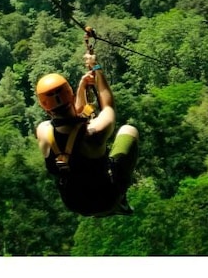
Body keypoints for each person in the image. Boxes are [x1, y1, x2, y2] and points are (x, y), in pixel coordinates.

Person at [34, 59, 138, 217]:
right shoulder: (95, 132)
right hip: (107, 199)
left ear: (46, 108)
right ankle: (121, 198)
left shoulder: (43, 132)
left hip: (76, 204)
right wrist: (97, 68)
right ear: (71, 96)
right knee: (129, 130)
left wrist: (82, 88)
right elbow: (108, 106)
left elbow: (71, 121)